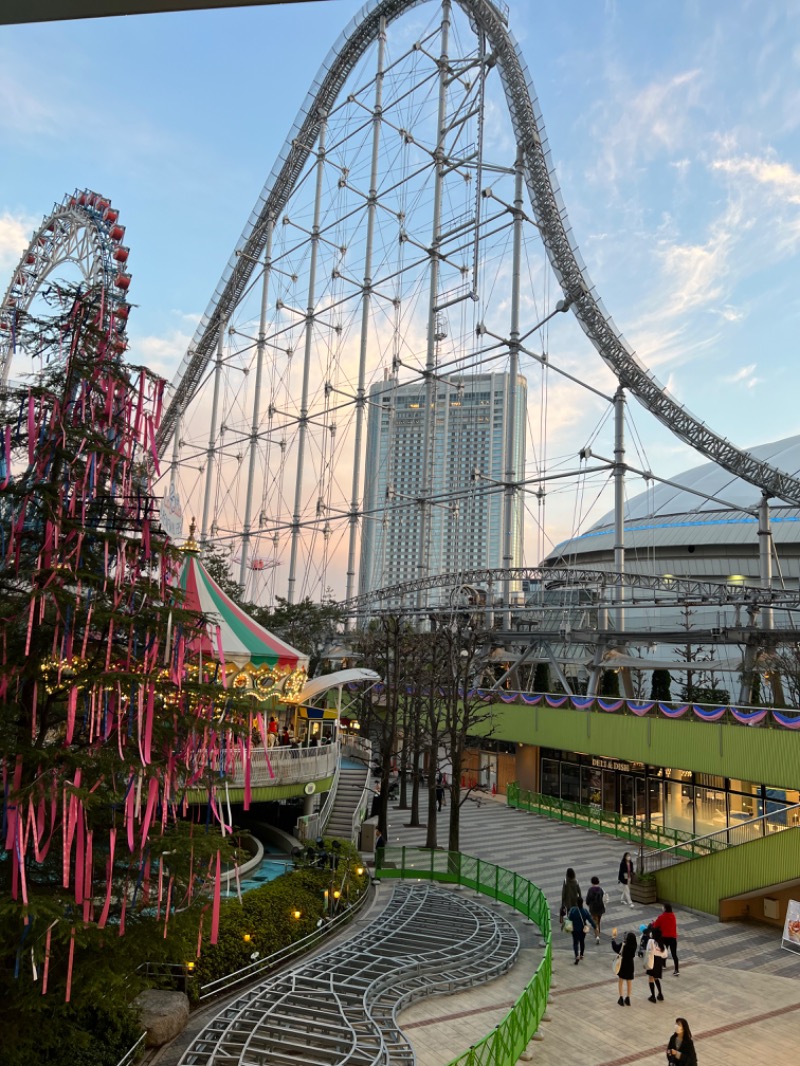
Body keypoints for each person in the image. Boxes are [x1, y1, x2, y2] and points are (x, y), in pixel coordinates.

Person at [611, 927, 638, 1006]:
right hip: (630, 964)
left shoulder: (623, 945)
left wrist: (613, 939)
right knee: (629, 981)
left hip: (623, 964)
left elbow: (615, 948)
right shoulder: (634, 946)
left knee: (621, 981)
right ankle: (628, 998)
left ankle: (621, 998)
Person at [652, 902, 680, 975]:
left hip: (664, 937)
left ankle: (663, 965)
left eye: (663, 907)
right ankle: (676, 970)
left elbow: (655, 925)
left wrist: (653, 923)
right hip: (673, 938)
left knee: (664, 951)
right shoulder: (673, 916)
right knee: (674, 954)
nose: (662, 908)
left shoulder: (661, 917)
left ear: (665, 908)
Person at [567, 896, 594, 964]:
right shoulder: (585, 911)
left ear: (576, 903)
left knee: (575, 943)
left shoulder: (573, 910)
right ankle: (581, 955)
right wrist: (595, 926)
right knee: (582, 941)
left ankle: (577, 956)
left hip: (575, 929)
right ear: (582, 903)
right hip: (583, 930)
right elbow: (590, 919)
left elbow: (569, 919)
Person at [645, 927, 668, 1002]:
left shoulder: (651, 941)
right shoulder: (662, 944)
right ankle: (660, 994)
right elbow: (665, 955)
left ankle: (653, 996)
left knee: (651, 978)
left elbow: (648, 949)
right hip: (659, 961)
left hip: (652, 960)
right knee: (656, 978)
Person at [585, 875, 606, 943]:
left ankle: (597, 936)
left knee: (595, 922)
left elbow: (588, 900)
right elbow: (602, 897)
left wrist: (588, 904)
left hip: (593, 908)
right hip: (600, 907)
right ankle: (598, 933)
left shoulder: (591, 890)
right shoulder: (600, 889)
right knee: (598, 922)